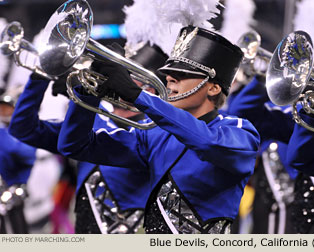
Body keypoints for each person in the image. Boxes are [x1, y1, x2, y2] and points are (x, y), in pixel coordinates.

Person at [57, 26, 260, 234]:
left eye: (181, 74)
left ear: (213, 88)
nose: (170, 80)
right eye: (169, 74)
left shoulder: (241, 131)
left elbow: (206, 142)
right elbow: (75, 146)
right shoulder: (154, 135)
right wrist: (89, 90)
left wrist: (138, 96)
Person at [9, 42, 168, 233]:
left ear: (149, 90)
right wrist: (40, 76)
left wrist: (85, 96)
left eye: (128, 75)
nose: (113, 78)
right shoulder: (91, 118)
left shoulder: (155, 131)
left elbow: (108, 138)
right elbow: (23, 129)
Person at [0, 88, 36, 233]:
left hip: (15, 190)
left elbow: (24, 154)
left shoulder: (22, 130)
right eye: (1, 108)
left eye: (7, 109)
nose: (3, 112)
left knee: (17, 228)